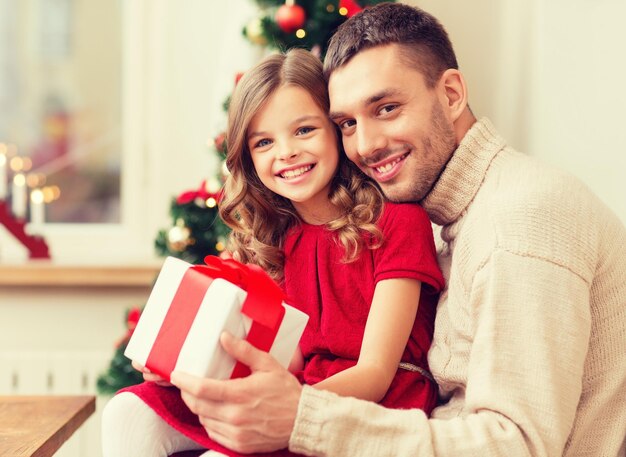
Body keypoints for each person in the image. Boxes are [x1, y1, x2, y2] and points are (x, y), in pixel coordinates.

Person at [169, 3, 626, 456]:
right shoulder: (452, 217)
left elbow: (518, 446)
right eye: (347, 123)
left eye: (386, 108)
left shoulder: (521, 220)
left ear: (451, 95)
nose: (364, 146)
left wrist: (304, 418)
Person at [101, 47, 444, 457]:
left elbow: (375, 373)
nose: (286, 153)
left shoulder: (396, 223)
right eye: (264, 141)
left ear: (336, 131)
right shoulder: (277, 239)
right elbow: (286, 360)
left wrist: (286, 408)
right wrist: (181, 370)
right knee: (126, 411)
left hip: (371, 404)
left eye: (304, 130)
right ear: (248, 157)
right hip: (298, 388)